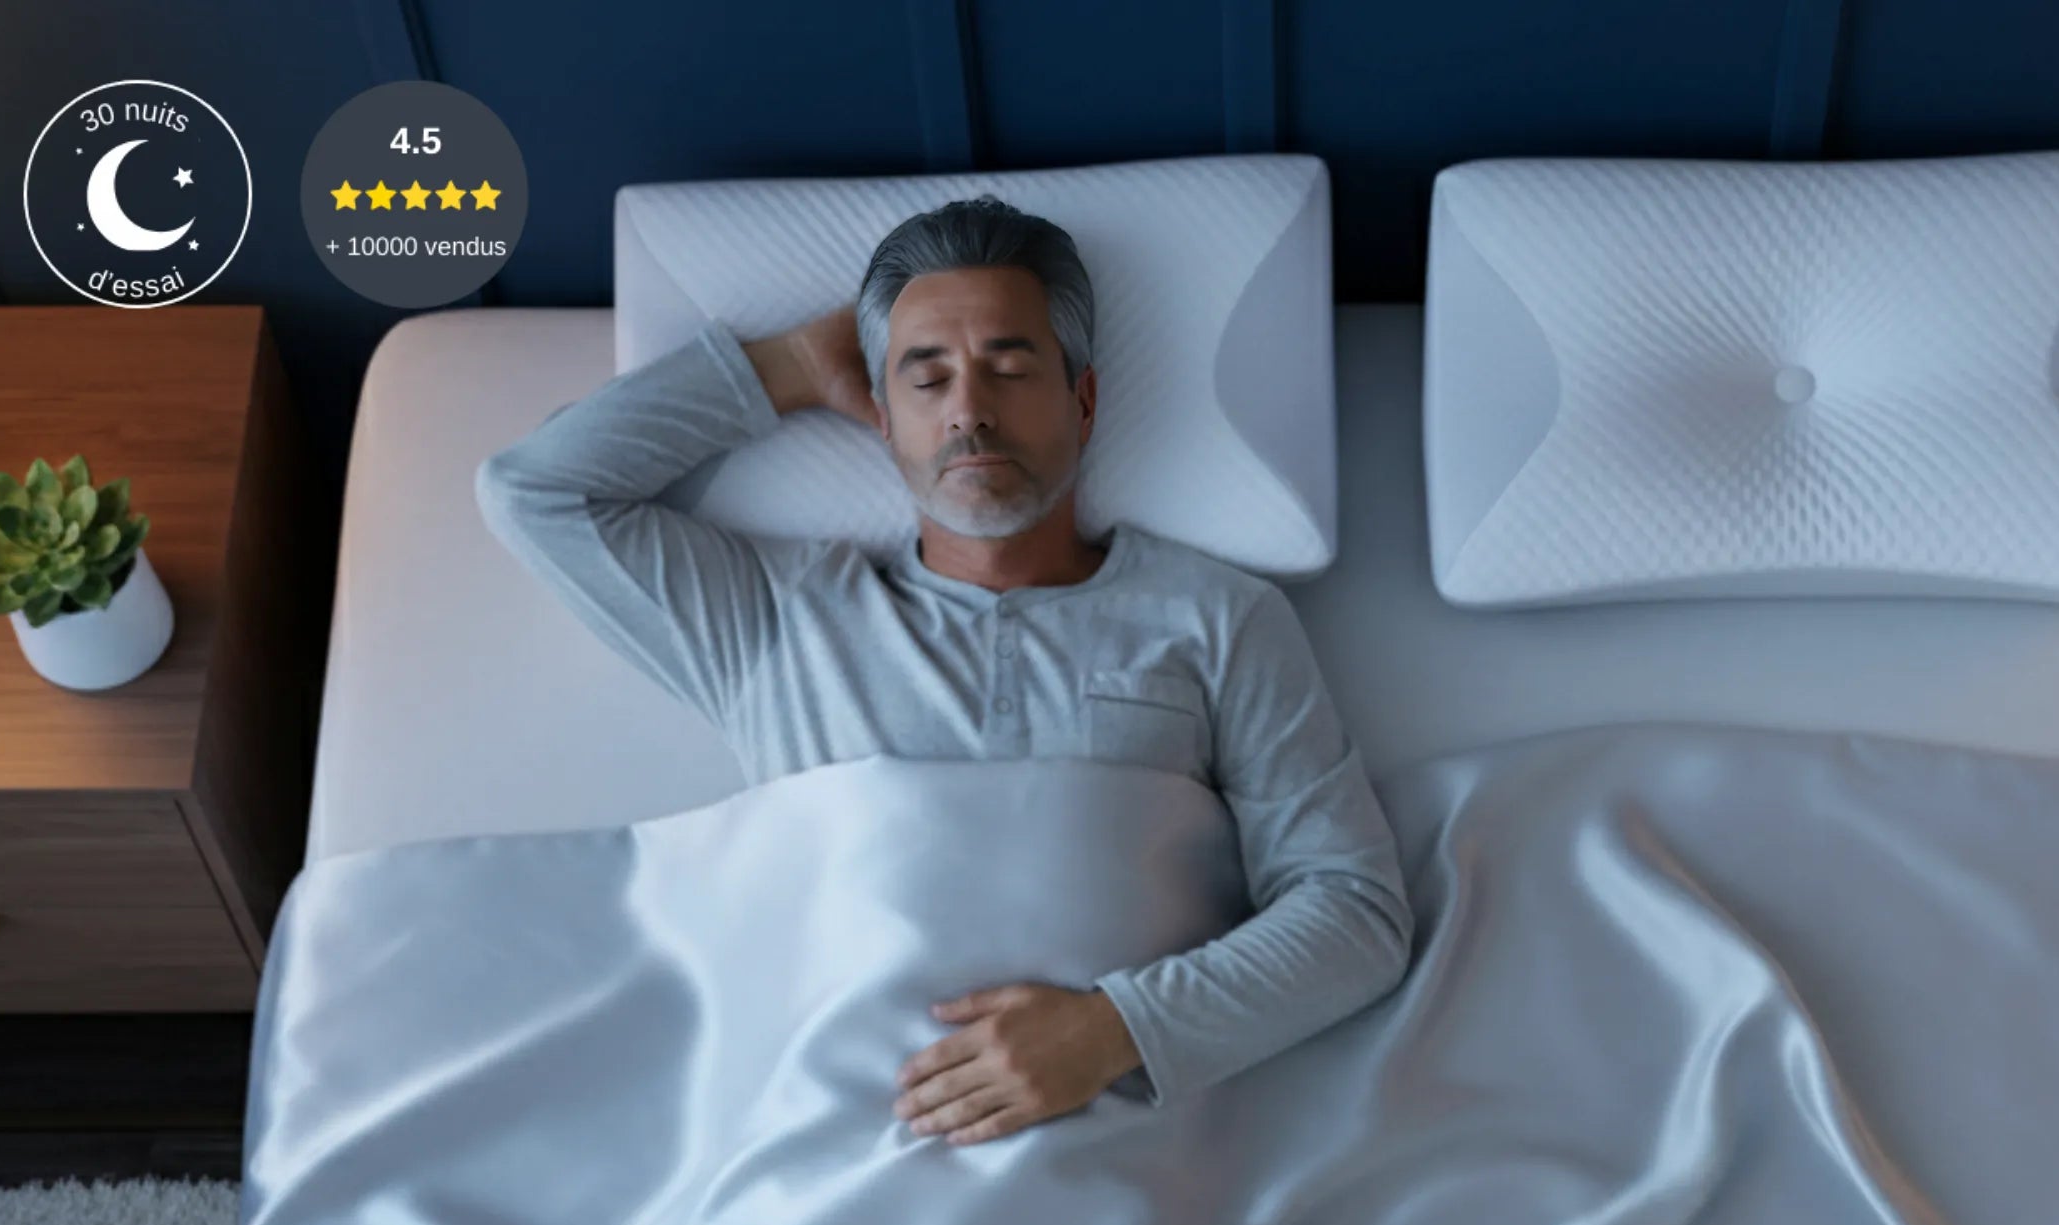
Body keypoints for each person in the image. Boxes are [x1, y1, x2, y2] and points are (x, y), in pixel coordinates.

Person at [474, 195, 1411, 1147]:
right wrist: (793, 367)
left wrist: (1116, 1028)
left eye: (1009, 367)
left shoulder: (1219, 616)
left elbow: (1356, 913)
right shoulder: (775, 621)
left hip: (1125, 1157)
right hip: (823, 1158)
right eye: (926, 380)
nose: (969, 410)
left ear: (1083, 402)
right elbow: (535, 490)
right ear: (880, 418)